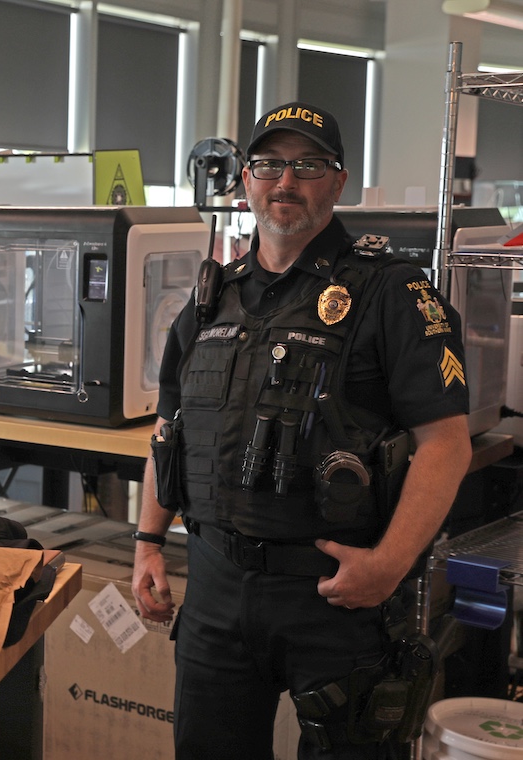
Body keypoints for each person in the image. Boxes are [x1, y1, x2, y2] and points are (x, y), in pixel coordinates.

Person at [131, 102, 472, 759]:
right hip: (216, 588)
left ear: (338, 181)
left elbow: (446, 445)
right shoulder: (208, 301)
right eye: (267, 164)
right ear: (245, 179)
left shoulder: (391, 295)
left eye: (306, 165)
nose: (284, 181)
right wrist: (148, 540)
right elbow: (167, 426)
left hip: (338, 595)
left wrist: (388, 565)